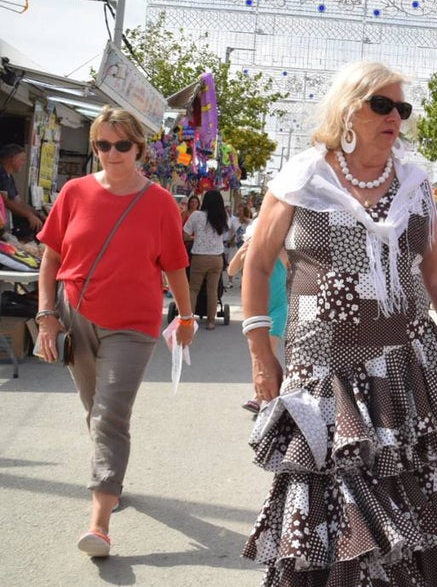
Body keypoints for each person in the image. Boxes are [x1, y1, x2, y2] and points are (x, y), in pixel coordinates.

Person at [240, 60, 437, 584]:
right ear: (347, 108)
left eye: (401, 108)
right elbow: (259, 263)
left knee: (417, 493)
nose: (394, 117)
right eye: (382, 104)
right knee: (331, 494)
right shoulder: (304, 176)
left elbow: (436, 274)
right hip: (324, 366)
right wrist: (260, 353)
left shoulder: (415, 182)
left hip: (405, 366)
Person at [34, 107, 194, 558]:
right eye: (103, 145)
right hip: (75, 315)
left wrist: (185, 317)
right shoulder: (74, 191)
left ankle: (99, 524)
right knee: (94, 410)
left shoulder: (160, 201)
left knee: (109, 415)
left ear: (139, 147)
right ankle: (112, 480)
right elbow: (51, 258)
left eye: (122, 144)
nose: (112, 153)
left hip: (134, 326)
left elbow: (176, 266)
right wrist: (47, 315)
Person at [227, 216, 288, 414]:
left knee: (267, 351)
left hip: (278, 310)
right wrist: (243, 251)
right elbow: (231, 270)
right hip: (255, 311)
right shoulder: (249, 252)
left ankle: (258, 399)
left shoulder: (281, 251)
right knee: (258, 357)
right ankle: (271, 394)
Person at [183, 189, 230, 329]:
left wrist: (194, 238)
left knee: (194, 289)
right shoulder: (223, 216)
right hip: (217, 258)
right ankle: (210, 322)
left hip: (199, 257)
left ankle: (189, 321)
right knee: (212, 290)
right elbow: (225, 237)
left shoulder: (197, 215)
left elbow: (184, 234)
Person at [0, 143, 45, 238]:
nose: (23, 163)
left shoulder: (9, 176)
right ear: (12, 159)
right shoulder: (1, 174)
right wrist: (29, 215)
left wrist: (37, 214)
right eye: (22, 159)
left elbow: (18, 201)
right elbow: (5, 201)